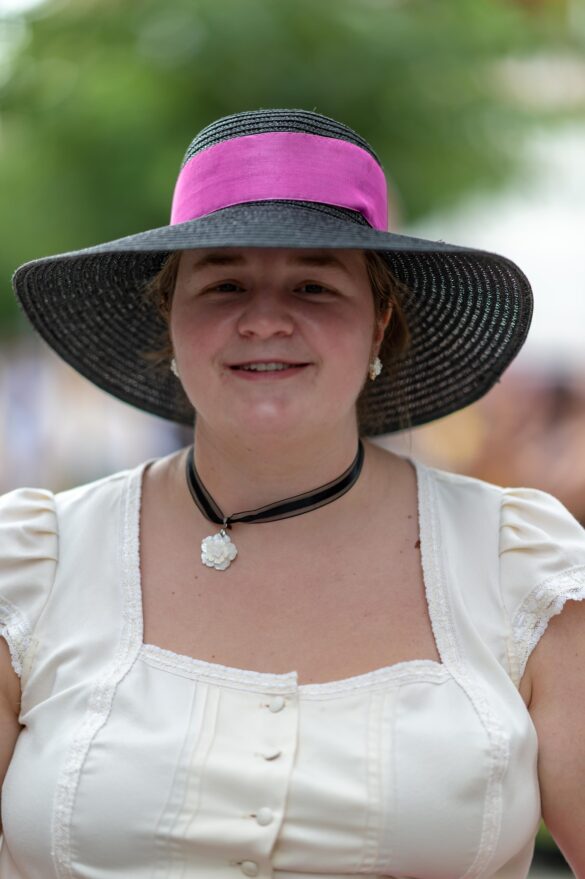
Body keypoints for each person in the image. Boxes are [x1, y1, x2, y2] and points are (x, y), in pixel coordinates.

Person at [1, 108, 584, 879]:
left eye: (313, 285)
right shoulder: (35, 563)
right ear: (170, 319)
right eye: (224, 283)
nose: (265, 320)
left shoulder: (518, 567)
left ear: (379, 323)